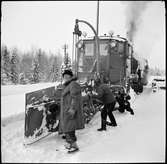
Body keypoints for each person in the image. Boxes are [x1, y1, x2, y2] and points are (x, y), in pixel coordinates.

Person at [58, 69, 85, 153]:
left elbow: (75, 97)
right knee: (68, 129)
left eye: (67, 76)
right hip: (66, 111)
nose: (65, 78)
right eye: (64, 76)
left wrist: (72, 109)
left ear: (71, 76)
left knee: (69, 129)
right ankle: (70, 144)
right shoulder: (67, 85)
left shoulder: (73, 84)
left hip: (70, 111)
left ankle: (74, 146)